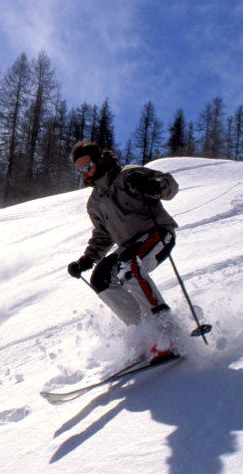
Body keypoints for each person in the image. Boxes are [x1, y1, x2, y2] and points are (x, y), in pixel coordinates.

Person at [67, 140, 180, 363]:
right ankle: (144, 332)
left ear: (99, 161)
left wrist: (153, 185)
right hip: (129, 247)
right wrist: (87, 259)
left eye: (87, 167)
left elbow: (169, 184)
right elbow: (103, 235)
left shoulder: (127, 176)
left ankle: (167, 330)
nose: (84, 174)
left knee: (129, 266)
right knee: (101, 278)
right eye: (79, 171)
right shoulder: (95, 203)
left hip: (156, 235)